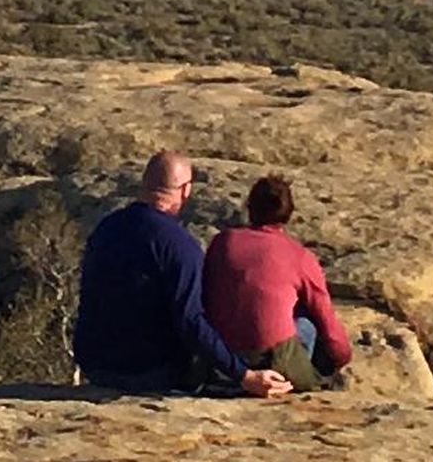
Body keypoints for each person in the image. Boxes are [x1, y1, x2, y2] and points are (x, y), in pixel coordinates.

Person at [74, 151, 292, 397]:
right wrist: (245, 375)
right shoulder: (179, 246)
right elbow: (191, 321)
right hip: (151, 372)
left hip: (95, 364)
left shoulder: (106, 228)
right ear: (186, 190)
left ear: (144, 183)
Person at [203, 174, 352, 392]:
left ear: (250, 207)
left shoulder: (223, 242)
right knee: (307, 322)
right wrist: (340, 357)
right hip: (273, 357)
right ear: (289, 213)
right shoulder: (299, 256)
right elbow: (328, 325)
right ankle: (294, 380)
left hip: (223, 355)